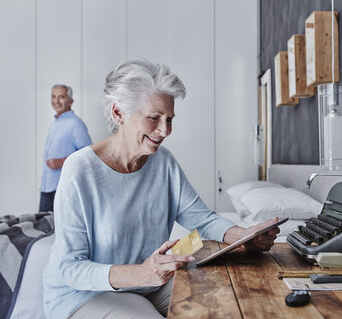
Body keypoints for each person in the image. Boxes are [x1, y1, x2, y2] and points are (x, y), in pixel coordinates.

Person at [43, 59, 279, 319]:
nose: (165, 130)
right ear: (118, 113)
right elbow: (70, 268)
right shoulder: (79, 170)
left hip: (150, 281)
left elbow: (203, 219)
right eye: (153, 118)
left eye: (169, 119)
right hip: (85, 294)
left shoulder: (163, 162)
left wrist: (246, 236)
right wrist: (142, 273)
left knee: (221, 305)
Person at [39, 84, 92, 212]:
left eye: (61, 97)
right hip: (47, 186)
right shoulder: (55, 123)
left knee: (55, 229)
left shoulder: (76, 123)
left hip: (62, 187)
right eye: (53, 96)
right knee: (42, 226)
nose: (56, 101)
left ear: (71, 101)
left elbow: (88, 154)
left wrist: (60, 162)